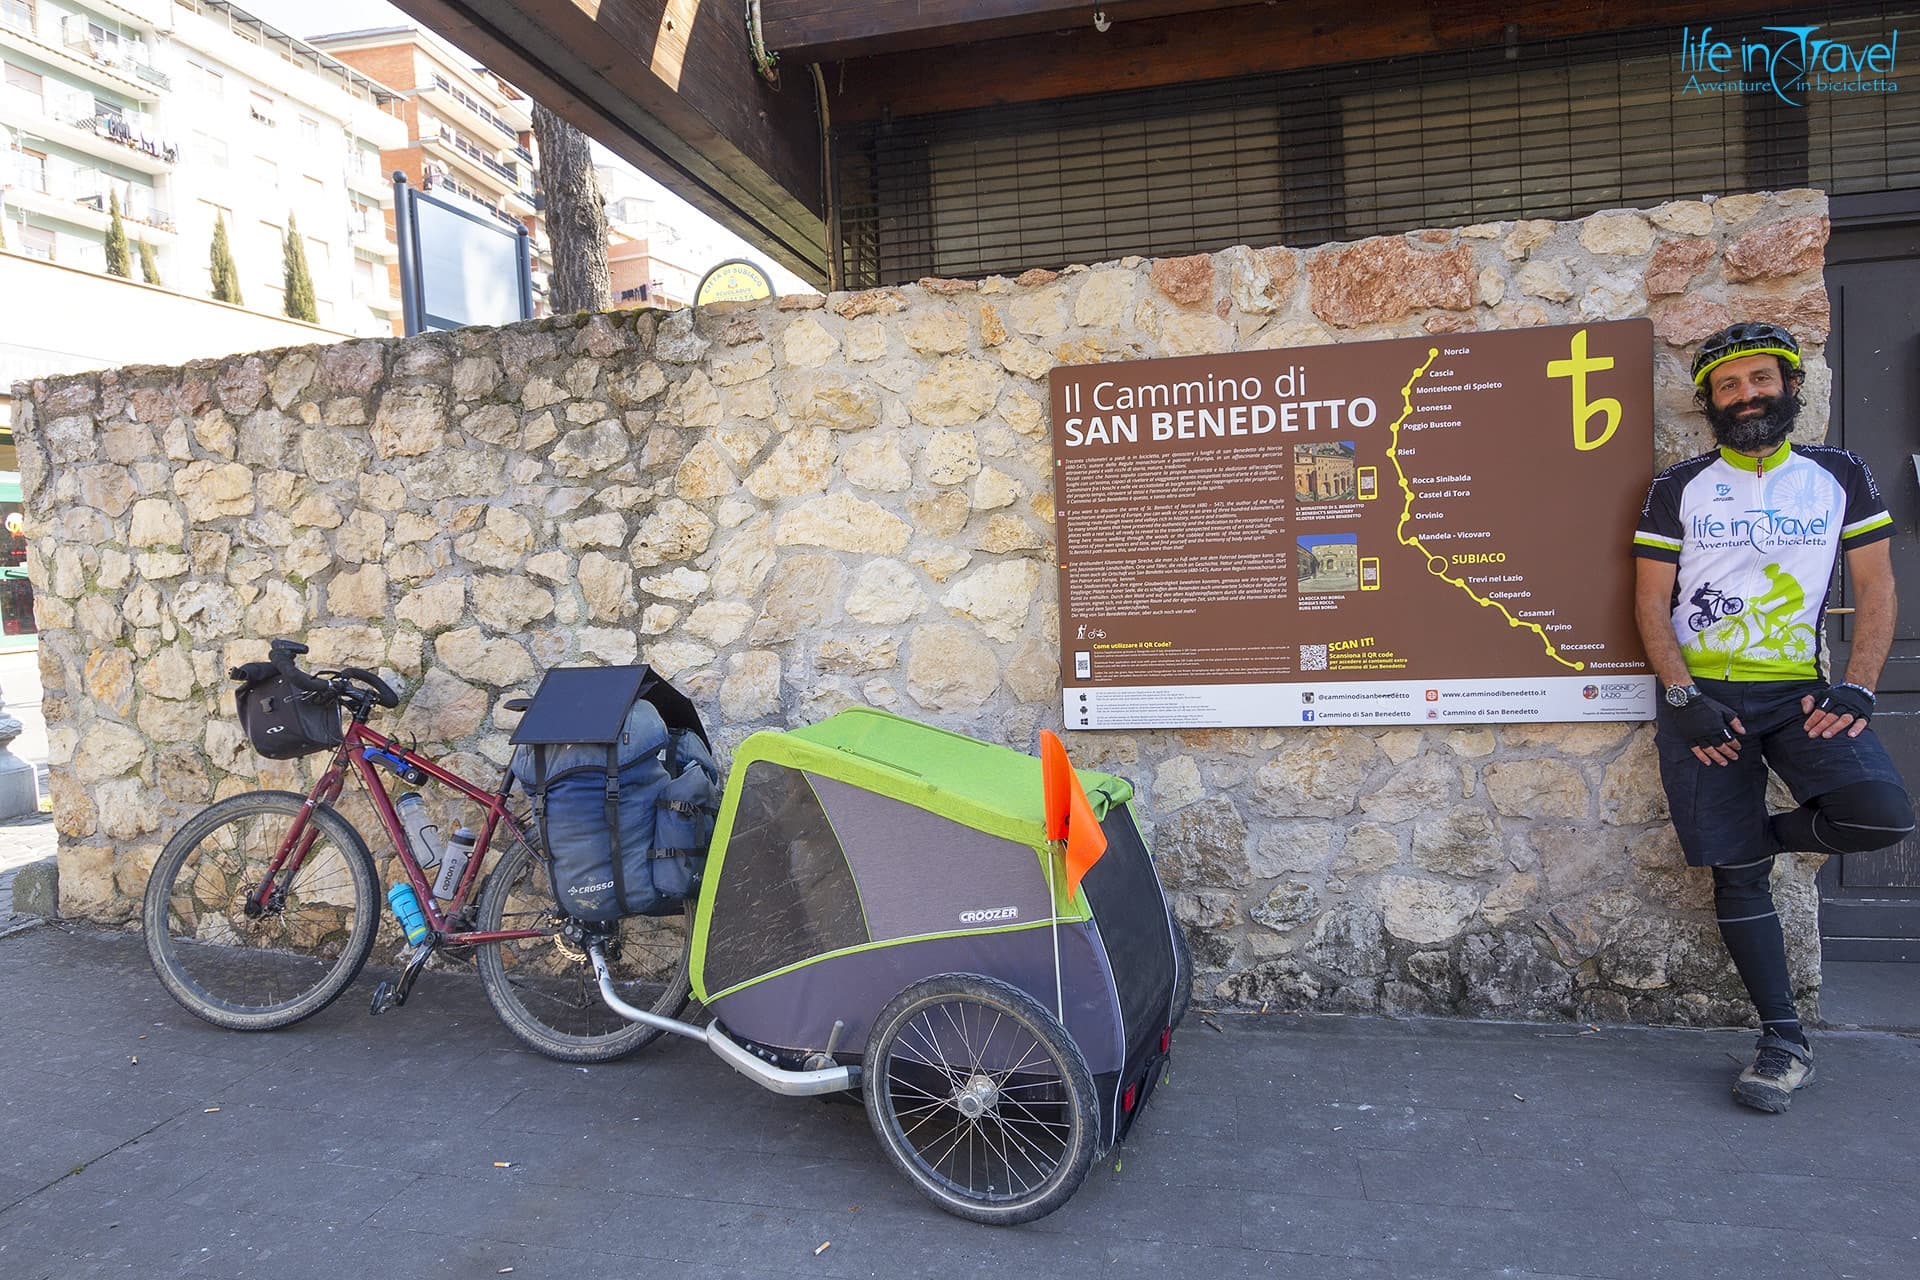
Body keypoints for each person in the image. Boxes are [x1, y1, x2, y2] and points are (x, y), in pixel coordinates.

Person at [1632, 321, 1913, 1114]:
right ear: (1710, 403)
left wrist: (1857, 687)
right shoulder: (1677, 485)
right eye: (1729, 385)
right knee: (1736, 872)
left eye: (1761, 380)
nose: (1747, 395)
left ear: (1791, 387)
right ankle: (1782, 1040)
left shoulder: (1839, 475)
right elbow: (1652, 600)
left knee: (1881, 813)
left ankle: (1765, 834)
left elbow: (1878, 586)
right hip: (1706, 698)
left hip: (1801, 693)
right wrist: (1683, 698)